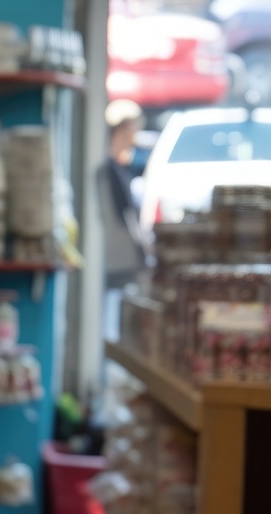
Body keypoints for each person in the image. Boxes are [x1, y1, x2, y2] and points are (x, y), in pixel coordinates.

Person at [99, 100, 149, 339]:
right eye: (133, 131)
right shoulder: (109, 171)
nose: (135, 139)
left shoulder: (116, 168)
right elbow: (126, 217)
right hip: (115, 259)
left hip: (116, 259)